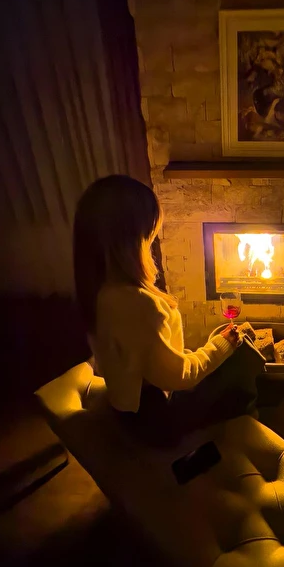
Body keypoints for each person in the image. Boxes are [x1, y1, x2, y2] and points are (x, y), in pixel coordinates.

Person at [72, 175, 249, 442]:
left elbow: (145, 356)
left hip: (126, 403)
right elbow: (181, 376)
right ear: (131, 240)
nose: (151, 241)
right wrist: (223, 344)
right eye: (148, 234)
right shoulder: (137, 304)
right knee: (238, 378)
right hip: (155, 419)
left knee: (220, 373)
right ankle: (195, 455)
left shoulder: (96, 289)